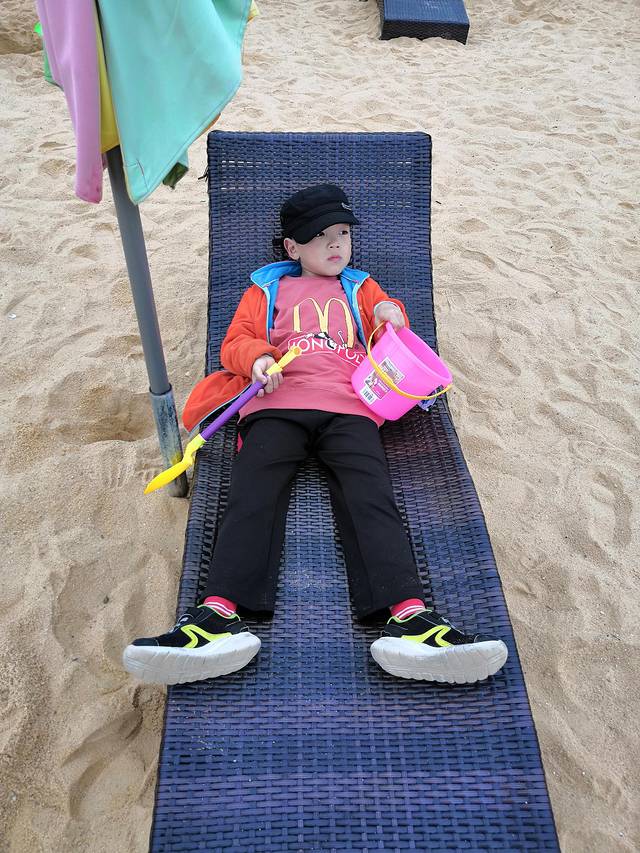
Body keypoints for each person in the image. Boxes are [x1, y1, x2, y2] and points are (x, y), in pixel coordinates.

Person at [122, 184, 508, 686]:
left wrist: (390, 314)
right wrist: (258, 359)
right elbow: (235, 343)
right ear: (292, 247)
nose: (335, 245)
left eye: (343, 234)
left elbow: (389, 337)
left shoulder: (362, 287)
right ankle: (215, 618)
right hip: (276, 404)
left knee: (371, 494)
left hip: (350, 407)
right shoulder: (266, 289)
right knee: (252, 491)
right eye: (320, 236)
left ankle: (410, 619)